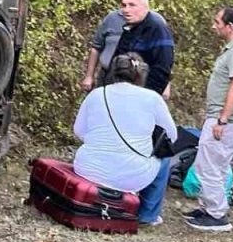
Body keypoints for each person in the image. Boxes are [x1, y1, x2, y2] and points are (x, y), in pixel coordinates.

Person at [72, 53, 178, 226]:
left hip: (87, 169)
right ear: (140, 74)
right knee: (164, 158)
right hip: (132, 177)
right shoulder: (152, 99)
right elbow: (171, 136)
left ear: (113, 72)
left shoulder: (97, 94)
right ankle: (147, 215)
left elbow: (78, 131)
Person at [185, 6, 233, 232]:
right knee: (213, 164)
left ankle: (216, 215)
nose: (214, 26)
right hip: (224, 118)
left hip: (228, 120)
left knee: (209, 165)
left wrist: (223, 119)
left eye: (217, 22)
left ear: (230, 26)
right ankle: (208, 208)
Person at [82, 0, 174, 97]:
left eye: (132, 5)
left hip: (141, 92)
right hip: (116, 88)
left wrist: (147, 96)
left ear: (145, 5)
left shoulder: (157, 28)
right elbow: (116, 61)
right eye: (124, 5)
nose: (126, 10)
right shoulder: (128, 26)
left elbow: (163, 67)